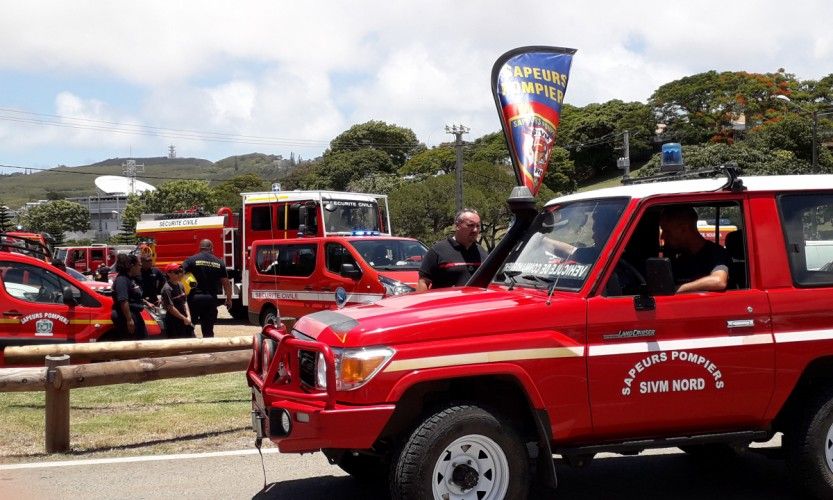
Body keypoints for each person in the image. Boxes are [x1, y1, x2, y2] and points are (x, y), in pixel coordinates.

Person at [659, 205, 730, 293]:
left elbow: (719, 281)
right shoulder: (678, 255)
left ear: (684, 229)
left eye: (667, 231)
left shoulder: (716, 253)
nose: (662, 236)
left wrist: (677, 289)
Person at [417, 208, 488, 291]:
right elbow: (423, 282)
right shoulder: (438, 250)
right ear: (457, 226)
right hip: (447, 303)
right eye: (470, 225)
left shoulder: (482, 252)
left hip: (475, 302)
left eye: (478, 226)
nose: (475, 230)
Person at [183, 239, 232, 338]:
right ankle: (209, 351)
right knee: (208, 330)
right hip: (211, 299)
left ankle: (188, 348)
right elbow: (226, 283)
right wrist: (229, 299)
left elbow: (180, 274)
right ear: (211, 248)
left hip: (194, 298)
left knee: (189, 327)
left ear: (200, 248)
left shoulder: (191, 260)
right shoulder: (219, 262)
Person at [111, 253, 146, 340]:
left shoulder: (131, 279)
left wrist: (146, 302)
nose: (140, 267)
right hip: (126, 316)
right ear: (132, 266)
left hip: (134, 314)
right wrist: (129, 320)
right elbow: (123, 301)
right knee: (133, 343)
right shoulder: (122, 280)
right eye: (139, 265)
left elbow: (133, 296)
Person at [160, 262, 194, 338]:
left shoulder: (180, 285)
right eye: (176, 272)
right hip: (174, 321)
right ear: (169, 274)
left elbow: (184, 301)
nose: (180, 274)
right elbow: (171, 308)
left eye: (180, 271)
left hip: (184, 319)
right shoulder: (167, 289)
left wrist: (188, 316)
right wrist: (184, 318)